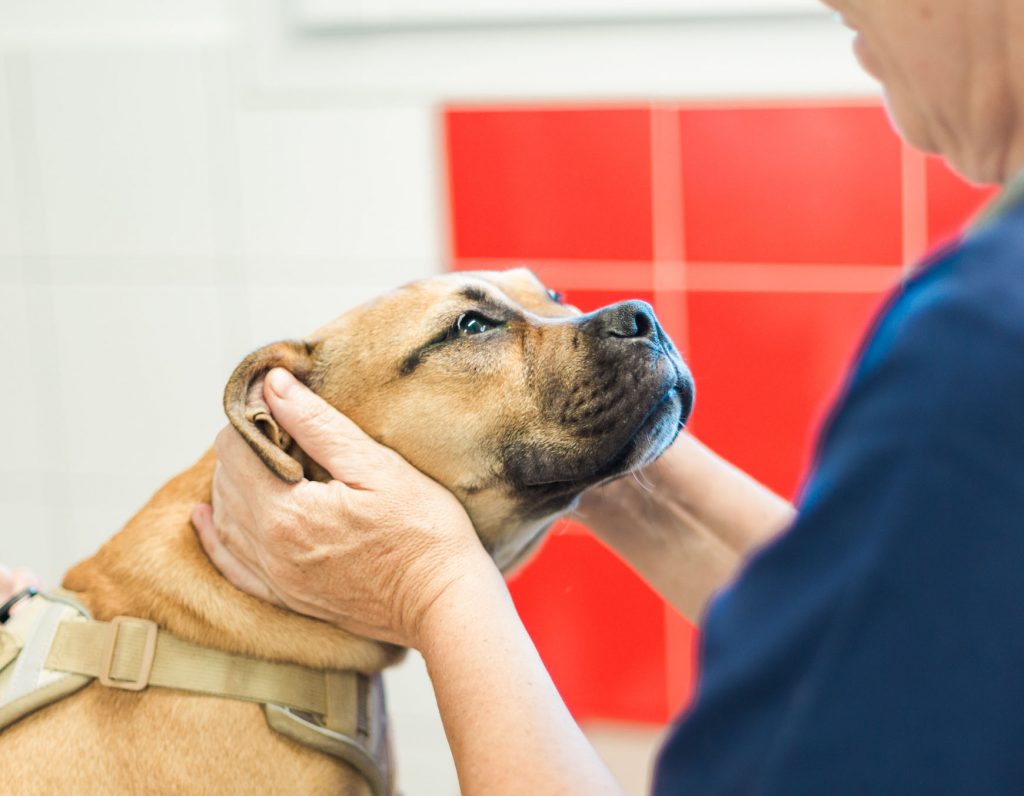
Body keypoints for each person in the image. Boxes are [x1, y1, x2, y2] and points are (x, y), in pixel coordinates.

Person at [11, 0, 1024, 792]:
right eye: (483, 325)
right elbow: (870, 627)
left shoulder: (978, 341)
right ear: (285, 432)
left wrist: (437, 584)